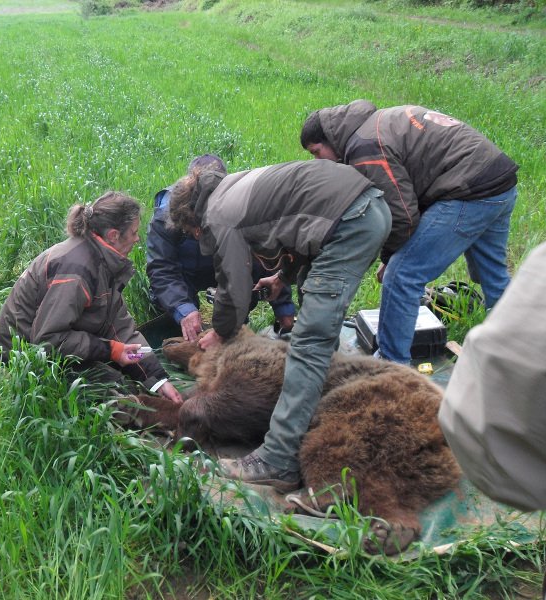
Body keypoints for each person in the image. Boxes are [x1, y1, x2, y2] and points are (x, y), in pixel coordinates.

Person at [166, 160, 390, 490]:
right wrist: (283, 277)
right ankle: (318, 406)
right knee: (319, 326)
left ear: (191, 218)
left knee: (308, 345)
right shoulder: (236, 187)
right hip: (369, 210)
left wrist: (223, 330)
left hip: (350, 222)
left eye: (190, 231)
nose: (195, 236)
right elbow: (303, 227)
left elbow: (233, 286)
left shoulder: (218, 215)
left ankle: (278, 458)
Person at [439, 196, 546, 600]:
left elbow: (485, 423)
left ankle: (396, 355)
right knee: (492, 269)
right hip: (494, 184)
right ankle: (495, 302)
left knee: (404, 273)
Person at [301, 101, 518, 364]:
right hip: (498, 182)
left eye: (316, 151)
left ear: (330, 139)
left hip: (470, 191)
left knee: (402, 276)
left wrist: (390, 257)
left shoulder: (365, 147)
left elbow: (402, 214)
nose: (317, 160)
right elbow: (415, 185)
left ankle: (391, 366)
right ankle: (518, 349)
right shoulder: (378, 123)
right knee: (493, 276)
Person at [0, 192, 182, 405]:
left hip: (60, 341)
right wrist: (110, 349)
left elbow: (119, 325)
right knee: (123, 398)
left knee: (139, 387)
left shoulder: (104, 258)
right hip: (26, 357)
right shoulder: (76, 271)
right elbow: (47, 339)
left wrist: (158, 381)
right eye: (133, 232)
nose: (137, 239)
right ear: (113, 235)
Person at [146, 154, 296, 342]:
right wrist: (184, 310)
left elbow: (266, 258)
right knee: (174, 310)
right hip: (187, 273)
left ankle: (234, 325)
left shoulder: (239, 207)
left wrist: (284, 309)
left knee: (243, 283)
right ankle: (183, 327)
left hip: (227, 264)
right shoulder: (168, 214)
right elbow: (162, 269)